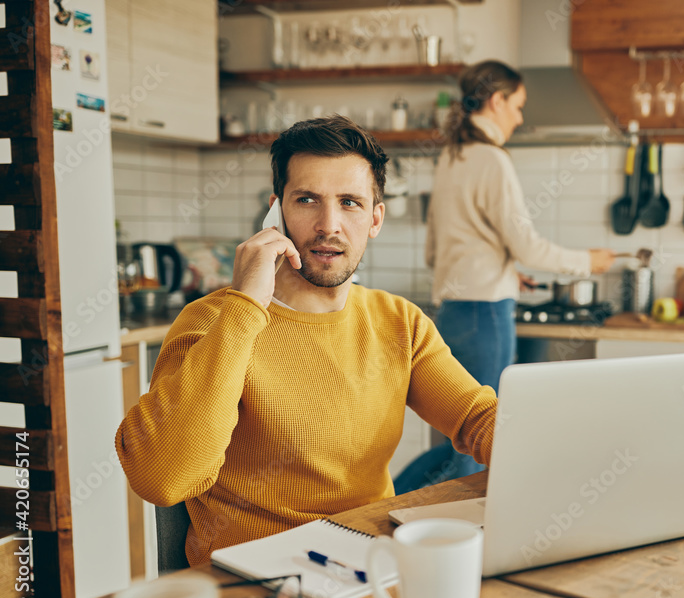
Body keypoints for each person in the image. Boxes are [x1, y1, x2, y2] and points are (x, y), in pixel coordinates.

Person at [115, 115, 497, 566]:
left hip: (367, 566)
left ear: (376, 218)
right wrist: (245, 305)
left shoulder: (399, 322)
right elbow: (162, 479)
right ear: (277, 212)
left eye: (350, 202)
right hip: (251, 587)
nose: (328, 224)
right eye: (308, 199)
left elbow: (477, 419)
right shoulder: (213, 321)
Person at [393, 60, 617, 493]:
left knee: (458, 433)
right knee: (476, 438)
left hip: (454, 311)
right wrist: (588, 262)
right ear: (496, 101)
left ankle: (399, 510)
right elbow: (528, 246)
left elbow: (435, 248)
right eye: (517, 106)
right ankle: (389, 505)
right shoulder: (493, 160)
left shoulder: (452, 157)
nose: (520, 117)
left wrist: (503, 270)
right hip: (486, 316)